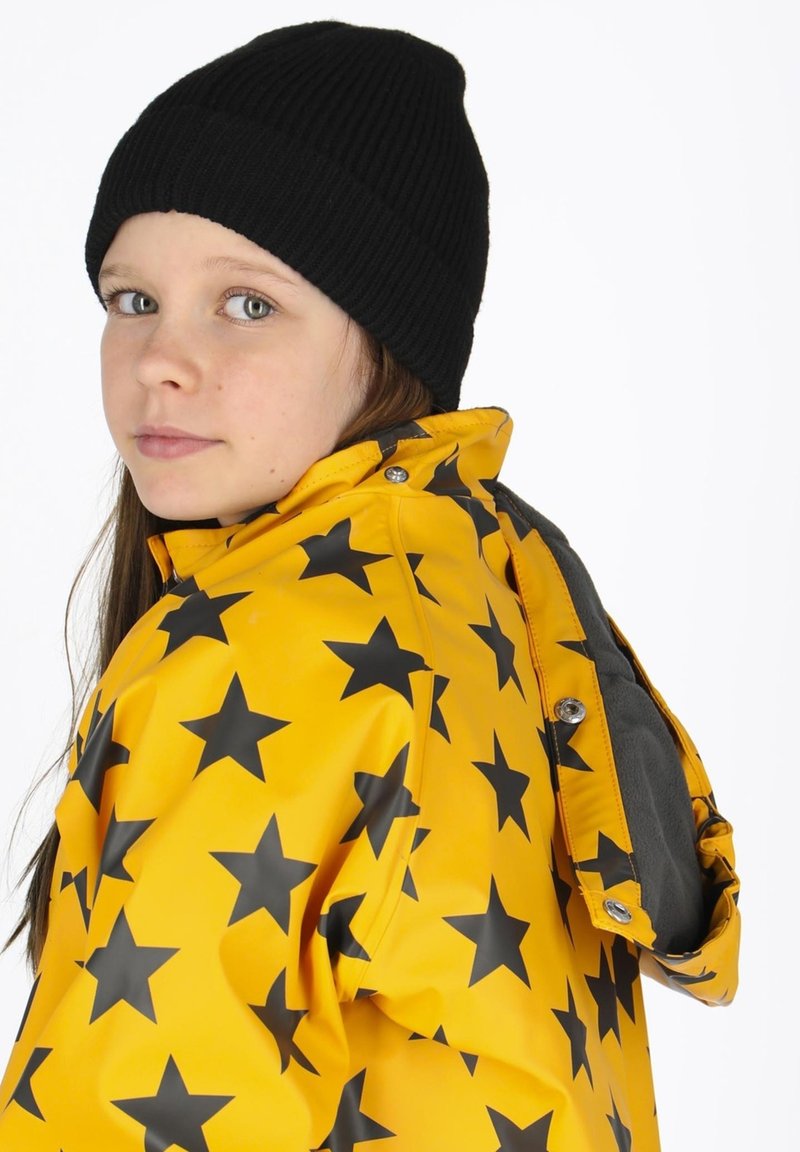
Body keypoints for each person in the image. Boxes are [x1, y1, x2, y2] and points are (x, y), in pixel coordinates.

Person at [0, 20, 739, 1151]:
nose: (160, 360)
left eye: (247, 305)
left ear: (388, 343)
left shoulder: (262, 649)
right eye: (131, 299)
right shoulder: (492, 579)